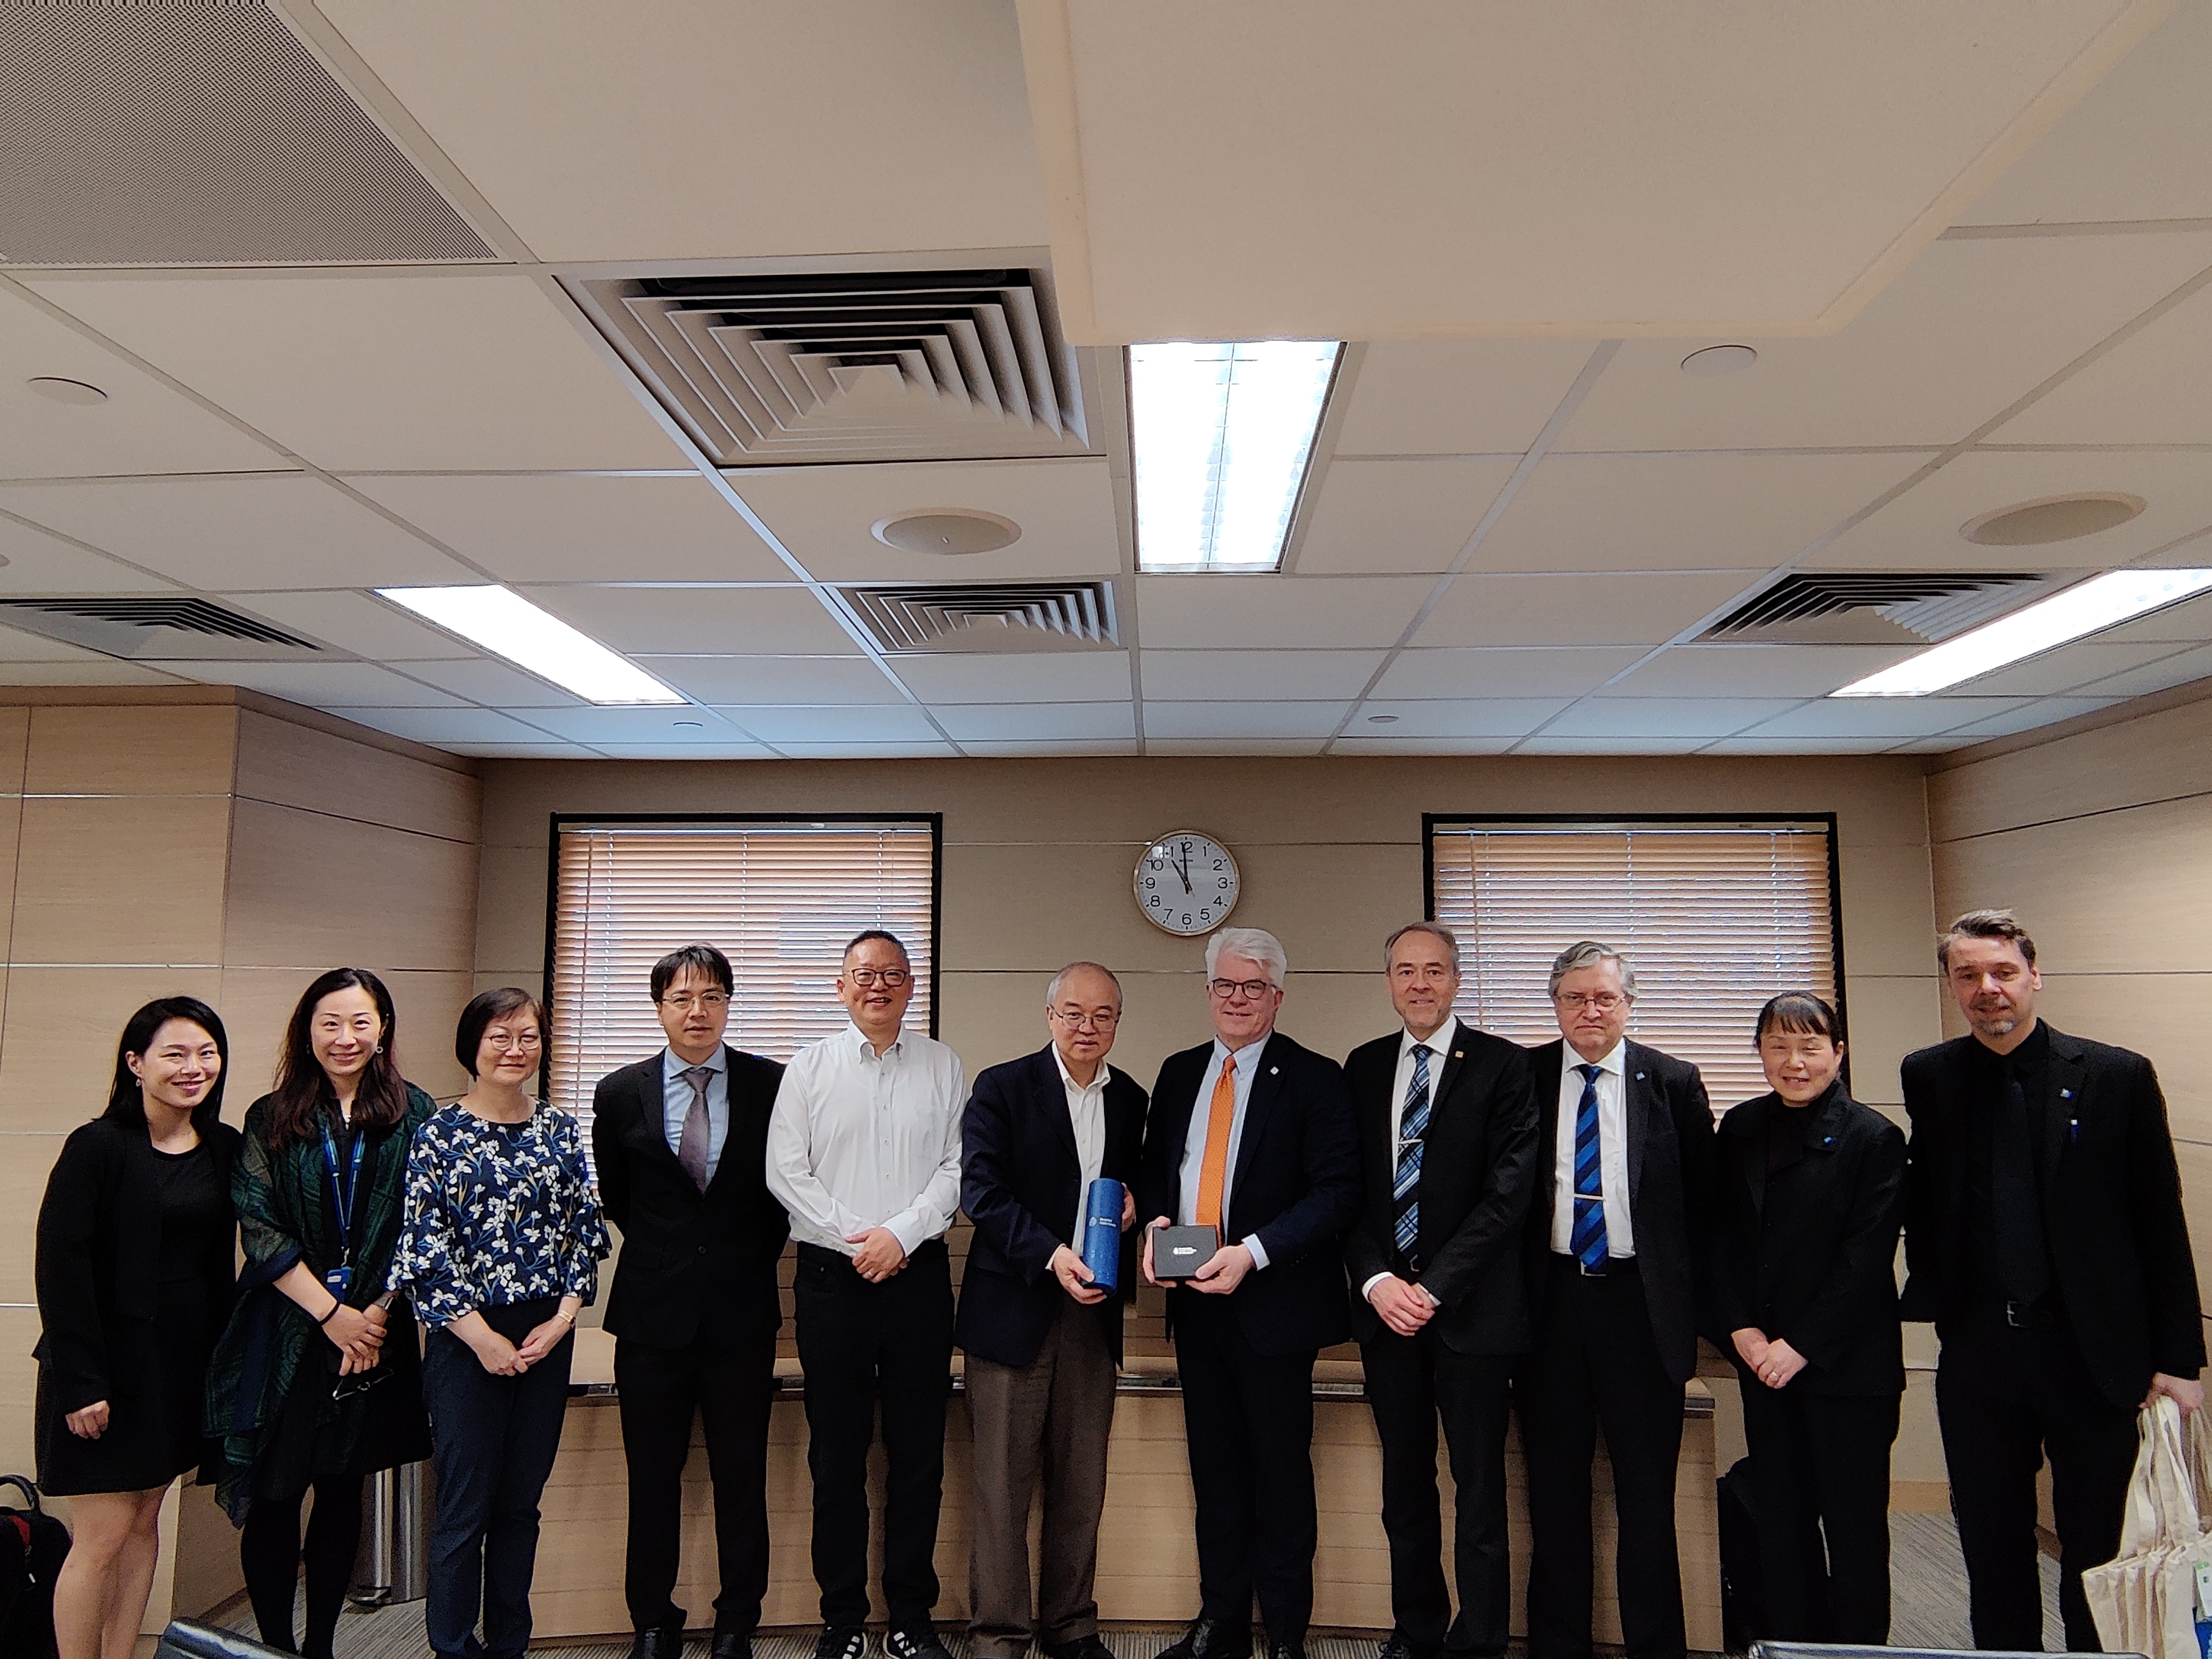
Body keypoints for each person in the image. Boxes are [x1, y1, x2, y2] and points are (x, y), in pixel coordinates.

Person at [1902, 909, 2204, 1651]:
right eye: (1968, 975)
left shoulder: (2115, 1076)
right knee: (1991, 1542)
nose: (1988, 989)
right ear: (1950, 986)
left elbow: (2159, 1220)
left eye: (2003, 972)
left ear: (2035, 977)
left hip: (2092, 1355)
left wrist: (2179, 1361)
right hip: (1980, 1355)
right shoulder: (1930, 1075)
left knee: (2097, 1546)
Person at [1137, 926, 1361, 1659]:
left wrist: (1253, 1254)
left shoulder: (1317, 1077)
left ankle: (1287, 1637)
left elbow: (1338, 1193)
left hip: (1275, 1311)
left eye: (1253, 987)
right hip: (1196, 1310)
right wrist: (1157, 1224)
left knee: (1281, 1478)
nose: (1238, 999)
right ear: (1208, 992)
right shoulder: (1176, 1074)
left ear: (1277, 996)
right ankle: (1220, 1625)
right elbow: (1154, 1175)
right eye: (1226, 985)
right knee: (1217, 1474)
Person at [205, 969, 438, 1659]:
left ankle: (323, 1648)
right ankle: (273, 1645)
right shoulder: (270, 1116)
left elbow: (420, 1222)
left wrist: (372, 1314)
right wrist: (333, 1313)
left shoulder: (416, 1111)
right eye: (330, 1023)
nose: (346, 1037)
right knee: (275, 1498)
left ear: (384, 1029)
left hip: (376, 1333)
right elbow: (259, 1224)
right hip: (287, 1331)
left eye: (361, 1022)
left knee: (343, 1493)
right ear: (307, 1030)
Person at [766, 930, 965, 1659]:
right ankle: (842, 1620)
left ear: (912, 985)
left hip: (918, 1283)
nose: (878, 985)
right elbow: (787, 1173)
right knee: (838, 1460)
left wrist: (901, 1237)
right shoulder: (809, 1069)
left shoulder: (943, 1065)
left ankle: (912, 1619)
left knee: (919, 1458)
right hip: (831, 1284)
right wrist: (863, 1240)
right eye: (863, 974)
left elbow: (956, 1168)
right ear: (840, 985)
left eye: (893, 974)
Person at [392, 988, 609, 1659]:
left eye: (529, 1037)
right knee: (464, 1510)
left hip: (547, 1334)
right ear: (473, 1047)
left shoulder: (560, 1128)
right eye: (500, 1037)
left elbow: (585, 1233)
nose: (516, 1050)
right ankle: (453, 1646)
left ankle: (511, 1643)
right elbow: (423, 1247)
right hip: (465, 1339)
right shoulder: (438, 1133)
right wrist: (481, 1336)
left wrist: (565, 1318)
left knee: (520, 1507)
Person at [1342, 923, 1539, 1659]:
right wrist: (1379, 1281)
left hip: (1473, 1318)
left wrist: (1437, 1287)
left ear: (1457, 981)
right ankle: (1415, 1631)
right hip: (1386, 1317)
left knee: (1480, 1492)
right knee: (1406, 1491)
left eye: (1434, 971)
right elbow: (1349, 1193)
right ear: (1388, 981)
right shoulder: (1361, 1068)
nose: (1419, 984)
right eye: (1405, 971)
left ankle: (1480, 1640)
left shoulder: (1503, 1066)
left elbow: (1508, 1194)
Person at [593, 943, 790, 1659]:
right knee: (652, 1477)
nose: (696, 1011)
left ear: (728, 1004)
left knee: (743, 1473)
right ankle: (653, 1619)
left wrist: (735, 1262)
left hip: (742, 1312)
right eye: (681, 998)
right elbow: (619, 1199)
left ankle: (739, 1619)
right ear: (659, 1009)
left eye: (710, 996)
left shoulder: (771, 1084)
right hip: (651, 1317)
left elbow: (782, 1194)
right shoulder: (620, 1093)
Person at [1517, 940, 1713, 1659]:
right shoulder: (1525, 1076)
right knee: (1555, 1498)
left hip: (1641, 1310)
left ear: (1628, 1004)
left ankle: (1655, 1649)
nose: (1590, 1010)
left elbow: (1704, 1209)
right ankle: (1558, 1646)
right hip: (1551, 1309)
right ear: (1556, 1005)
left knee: (1647, 1501)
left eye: (1604, 997)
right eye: (1575, 997)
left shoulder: (1673, 1080)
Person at [35, 997, 238, 1659]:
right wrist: (81, 1384)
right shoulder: (97, 1147)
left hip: (179, 1363)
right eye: (175, 1054)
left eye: (206, 1053)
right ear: (135, 1062)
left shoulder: (224, 1147)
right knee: (100, 1537)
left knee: (147, 1521)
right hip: (102, 1368)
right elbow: (61, 1268)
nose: (194, 1067)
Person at [957, 962, 1146, 1659]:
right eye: (1073, 1013)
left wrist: (1135, 1208)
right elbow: (981, 1190)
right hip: (1015, 1310)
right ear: (1049, 1017)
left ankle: (1071, 1625)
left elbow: (1144, 1188)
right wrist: (1050, 1254)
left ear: (1117, 1023)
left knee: (1081, 1482)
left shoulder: (1131, 1098)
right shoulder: (1002, 1088)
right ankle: (1000, 1635)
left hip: (1092, 1316)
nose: (1087, 1027)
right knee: (1002, 1489)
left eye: (1102, 1016)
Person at [1706, 992, 1904, 1643]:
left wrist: (1800, 1346)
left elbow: (1866, 1261)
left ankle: (1860, 1656)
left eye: (1810, 1046)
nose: (1795, 1062)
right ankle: (1790, 1648)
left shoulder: (1873, 1137)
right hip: (1765, 1365)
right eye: (1778, 1046)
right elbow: (1720, 1242)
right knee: (1780, 1528)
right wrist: (1743, 1332)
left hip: (1847, 1372)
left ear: (1838, 1052)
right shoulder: (1738, 1127)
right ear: (1760, 1052)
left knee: (1854, 1535)